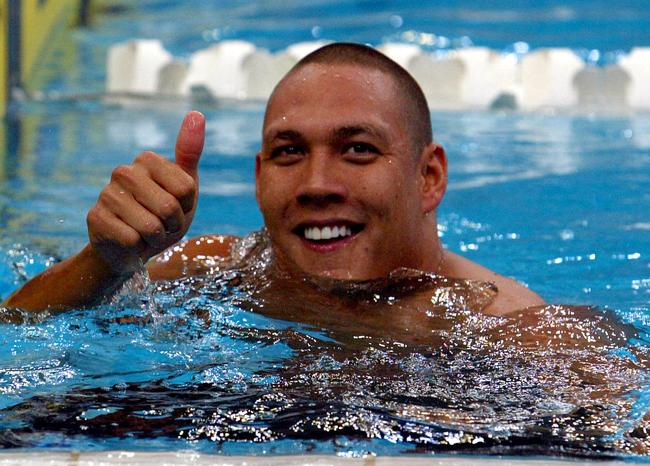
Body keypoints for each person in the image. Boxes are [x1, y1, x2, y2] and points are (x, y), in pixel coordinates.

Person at [1, 43, 544, 316]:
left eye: (357, 149)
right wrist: (107, 262)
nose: (316, 183)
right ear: (259, 179)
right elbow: (15, 330)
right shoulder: (221, 272)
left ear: (428, 177)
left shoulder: (507, 331)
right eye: (289, 153)